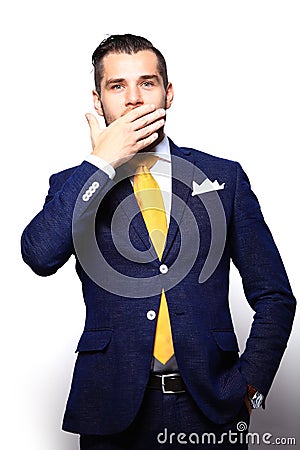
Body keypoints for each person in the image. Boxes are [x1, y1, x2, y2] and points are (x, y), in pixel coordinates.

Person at [21, 34, 296, 449]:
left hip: (213, 412)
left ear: (168, 94)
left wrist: (250, 390)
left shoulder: (224, 178)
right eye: (117, 87)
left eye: (147, 83)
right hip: (111, 412)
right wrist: (101, 163)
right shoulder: (74, 186)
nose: (134, 99)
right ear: (99, 102)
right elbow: (40, 254)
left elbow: (275, 295)